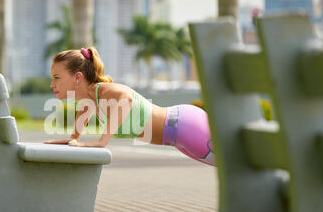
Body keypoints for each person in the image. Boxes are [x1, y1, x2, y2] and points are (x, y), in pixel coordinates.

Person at [44, 47, 215, 167]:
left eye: (57, 77)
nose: (52, 84)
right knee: (230, 169)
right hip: (178, 137)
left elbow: (126, 99)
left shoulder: (103, 91)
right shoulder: (88, 102)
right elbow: (78, 130)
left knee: (235, 166)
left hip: (185, 126)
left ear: (77, 77)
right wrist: (73, 138)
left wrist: (102, 140)